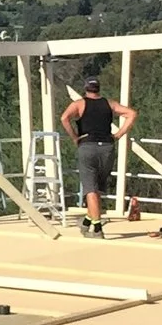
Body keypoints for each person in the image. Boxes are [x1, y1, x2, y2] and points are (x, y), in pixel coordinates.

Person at [58, 76, 136, 238]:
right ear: (98, 88)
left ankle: (98, 228)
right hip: (107, 147)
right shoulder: (109, 104)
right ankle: (87, 221)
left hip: (88, 146)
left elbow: (64, 118)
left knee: (90, 189)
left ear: (86, 88)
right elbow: (131, 114)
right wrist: (119, 134)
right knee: (97, 187)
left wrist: (74, 137)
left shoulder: (79, 104)